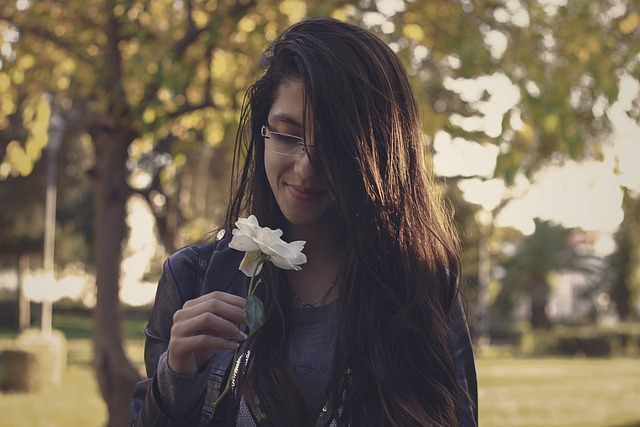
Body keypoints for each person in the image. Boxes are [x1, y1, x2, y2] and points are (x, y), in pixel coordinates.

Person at [131, 17, 477, 426]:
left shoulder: (421, 288)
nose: (305, 167)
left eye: (334, 144)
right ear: (262, 133)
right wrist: (177, 378)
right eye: (287, 135)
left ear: (377, 152)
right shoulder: (193, 279)